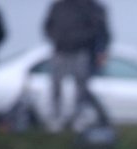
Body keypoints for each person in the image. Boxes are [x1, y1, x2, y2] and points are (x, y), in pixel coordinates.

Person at [44, 0, 111, 131]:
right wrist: (57, 38)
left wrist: (83, 40)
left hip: (80, 50)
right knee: (56, 85)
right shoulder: (58, 6)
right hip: (60, 50)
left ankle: (78, 118)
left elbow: (99, 29)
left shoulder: (90, 6)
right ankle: (56, 117)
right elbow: (47, 26)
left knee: (81, 86)